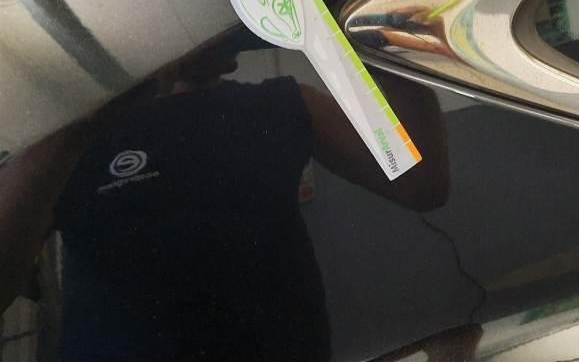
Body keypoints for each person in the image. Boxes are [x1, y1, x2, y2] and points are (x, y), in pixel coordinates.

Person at [0, 28, 449, 361]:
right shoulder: (73, 136)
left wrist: (352, 32)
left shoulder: (280, 105)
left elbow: (421, 182)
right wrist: (86, 119)